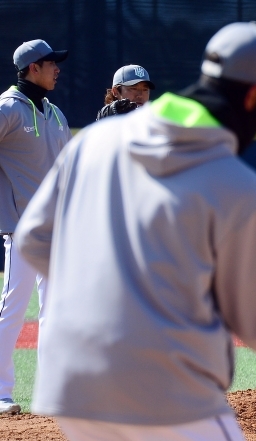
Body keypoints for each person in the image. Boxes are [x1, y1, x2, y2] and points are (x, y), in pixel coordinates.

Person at [15, 22, 256, 440]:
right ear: (253, 97)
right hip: (170, 393)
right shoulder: (239, 188)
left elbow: (32, 241)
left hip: (73, 385)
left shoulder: (94, 142)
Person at [0, 38, 71, 415]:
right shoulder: (8, 108)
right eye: (50, 63)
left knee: (55, 311)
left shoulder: (55, 114)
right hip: (22, 229)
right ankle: (0, 391)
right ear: (32, 69)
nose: (57, 68)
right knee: (12, 309)